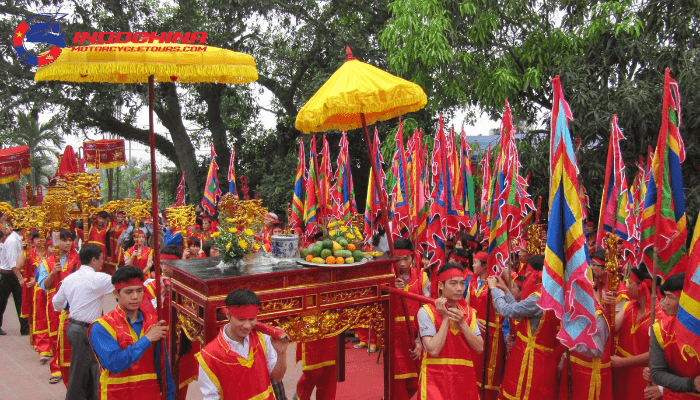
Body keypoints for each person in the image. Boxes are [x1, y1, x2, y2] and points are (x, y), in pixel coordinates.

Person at [88, 265, 175, 399]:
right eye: (128, 292)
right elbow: (115, 364)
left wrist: (170, 395)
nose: (135, 297)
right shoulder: (102, 326)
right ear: (116, 294)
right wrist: (147, 339)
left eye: (139, 291)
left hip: (149, 393)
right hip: (116, 394)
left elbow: (162, 365)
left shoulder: (153, 323)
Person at [487, 254, 563, 400]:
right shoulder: (555, 293)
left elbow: (508, 311)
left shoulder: (538, 297)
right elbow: (520, 311)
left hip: (530, 358)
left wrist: (494, 291)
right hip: (546, 359)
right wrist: (506, 290)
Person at [196, 289, 289, 399]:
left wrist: (281, 353)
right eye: (241, 319)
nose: (247, 325)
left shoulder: (262, 339)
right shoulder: (209, 356)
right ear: (228, 315)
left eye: (252, 319)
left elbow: (277, 377)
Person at [52, 244, 114, 400]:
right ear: (93, 260)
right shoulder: (97, 278)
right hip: (84, 330)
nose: (102, 262)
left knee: (90, 368)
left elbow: (56, 304)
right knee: (80, 371)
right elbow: (122, 282)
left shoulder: (69, 278)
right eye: (100, 259)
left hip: (74, 326)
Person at [417, 262, 483, 399]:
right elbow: (433, 350)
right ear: (441, 285)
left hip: (464, 380)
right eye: (453, 283)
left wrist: (462, 323)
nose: (459, 288)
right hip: (435, 379)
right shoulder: (426, 312)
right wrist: (446, 318)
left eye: (462, 283)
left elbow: (479, 348)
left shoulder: (469, 313)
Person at [38, 230, 81, 384]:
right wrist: (52, 273)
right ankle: (56, 368)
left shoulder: (77, 259)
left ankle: (74, 369)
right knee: (56, 337)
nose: (68, 243)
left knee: (74, 336)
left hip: (74, 303)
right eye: (65, 240)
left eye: (70, 240)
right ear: (57, 242)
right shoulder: (46, 262)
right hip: (55, 305)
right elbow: (44, 285)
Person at [385, 238, 425, 400]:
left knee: (415, 382)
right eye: (398, 258)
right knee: (398, 381)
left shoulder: (423, 278)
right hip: (393, 337)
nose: (402, 263)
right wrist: (390, 288)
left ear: (413, 258)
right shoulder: (386, 276)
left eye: (406, 259)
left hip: (415, 335)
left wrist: (422, 341)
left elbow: (428, 310)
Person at [650, 272, 700, 399]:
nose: (664, 302)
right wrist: (691, 384)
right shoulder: (661, 329)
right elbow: (657, 372)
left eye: (670, 297)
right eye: (664, 296)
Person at [611, 264, 656, 400]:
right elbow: (612, 329)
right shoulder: (629, 305)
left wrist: (624, 362)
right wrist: (607, 308)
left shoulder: (658, 315)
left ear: (641, 287)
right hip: (622, 373)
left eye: (629, 283)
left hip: (642, 375)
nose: (626, 287)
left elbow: (655, 353)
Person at [467, 251, 504, 400]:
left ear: (484, 266)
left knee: (489, 370)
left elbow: (501, 306)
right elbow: (466, 305)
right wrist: (473, 319)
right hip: (475, 327)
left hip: (492, 332)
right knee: (475, 366)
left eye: (475, 263)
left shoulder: (494, 283)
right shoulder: (472, 282)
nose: (472, 265)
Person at [0, 222, 29, 336]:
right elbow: (13, 264)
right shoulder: (12, 241)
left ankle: (25, 328)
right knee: (2, 302)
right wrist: (20, 278)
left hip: (14, 273)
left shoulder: (19, 239)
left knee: (21, 301)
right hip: (9, 275)